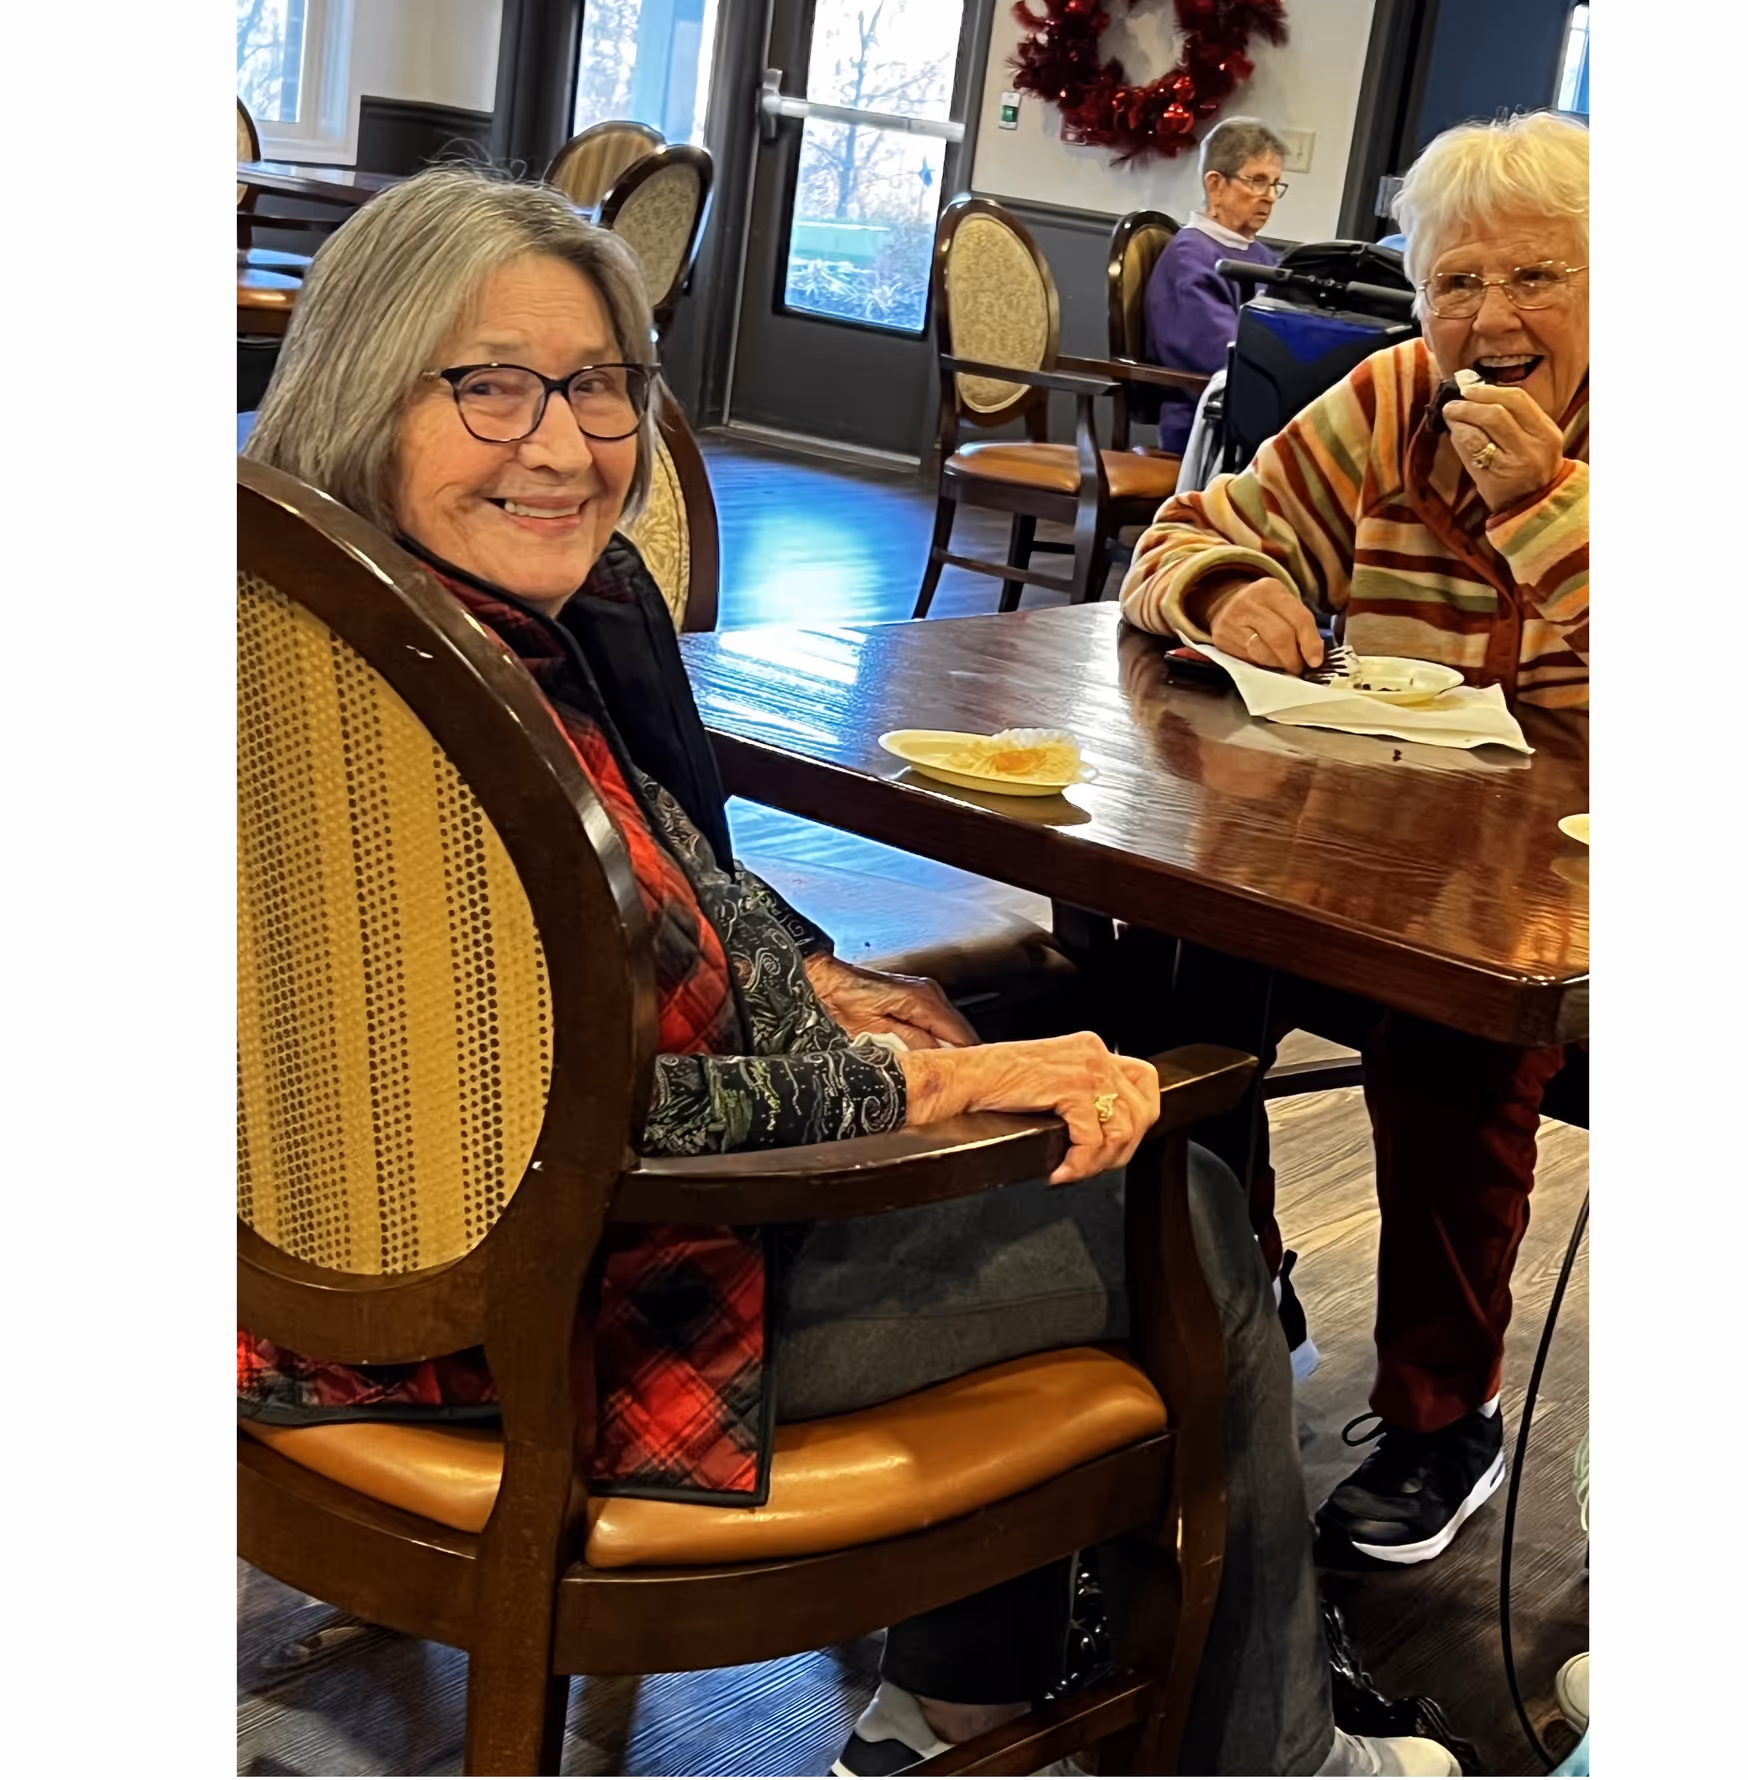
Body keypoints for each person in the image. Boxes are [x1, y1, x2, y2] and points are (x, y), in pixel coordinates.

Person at [237, 168, 1459, 1778]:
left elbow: (671, 873)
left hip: (295, 1268)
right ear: (364, 386)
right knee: (1183, 1206)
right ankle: (1276, 1758)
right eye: (488, 384)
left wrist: (825, 985)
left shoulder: (357, 629)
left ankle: (964, 1686)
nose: (563, 440)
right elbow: (584, 1124)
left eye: (602, 382)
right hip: (531, 1317)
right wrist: (927, 1084)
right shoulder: (433, 725)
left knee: (1033, 1020)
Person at [1118, 111, 1589, 1568]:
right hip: (1386, 843)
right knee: (1172, 948)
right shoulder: (1391, 402)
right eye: (1455, 283)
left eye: (1534, 282)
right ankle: (1234, 1285)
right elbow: (1181, 534)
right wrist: (1228, 589)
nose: (1486, 322)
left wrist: (1545, 505)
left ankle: (1445, 1416)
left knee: (1454, 1037)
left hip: (1582, 890)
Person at [1144, 117, 1288, 456]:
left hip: (1256, 407)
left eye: (1275, 185)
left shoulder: (1262, 255)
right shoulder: (1190, 256)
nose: (1269, 197)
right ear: (1215, 186)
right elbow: (1217, 352)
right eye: (1257, 181)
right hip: (1208, 421)